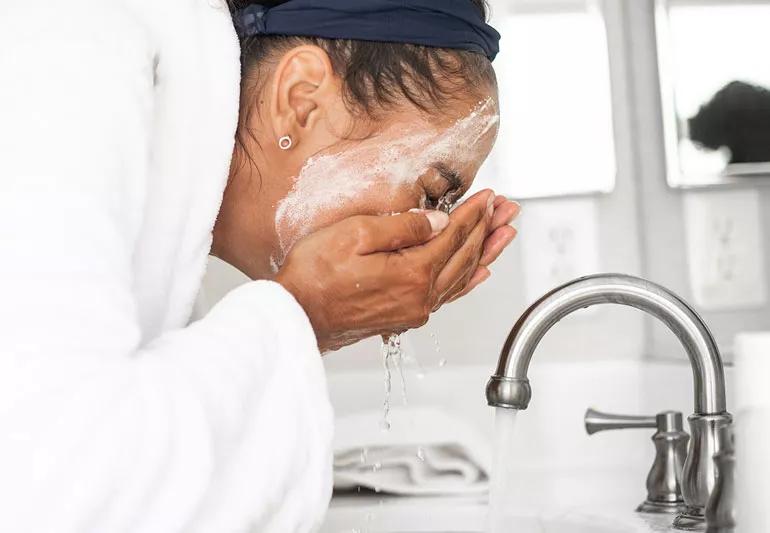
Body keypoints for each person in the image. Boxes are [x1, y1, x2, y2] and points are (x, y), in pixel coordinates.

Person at [0, 0, 518, 531]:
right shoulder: (73, 58)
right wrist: (307, 312)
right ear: (301, 101)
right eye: (432, 192)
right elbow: (53, 483)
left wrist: (309, 317)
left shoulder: (163, 200)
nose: (429, 228)